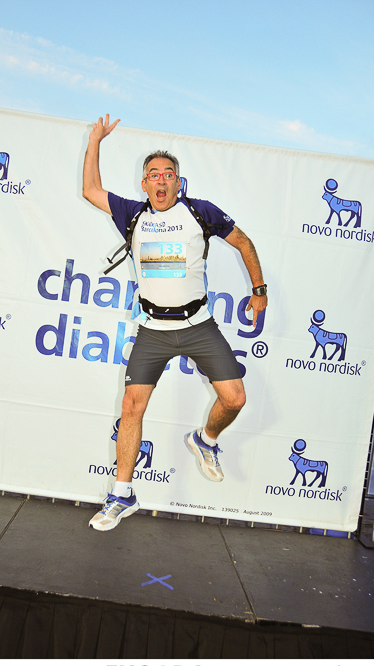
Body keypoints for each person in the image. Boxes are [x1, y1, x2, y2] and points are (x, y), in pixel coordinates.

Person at [82, 115, 268, 532]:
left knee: (235, 399)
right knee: (131, 407)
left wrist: (259, 289)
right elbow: (90, 190)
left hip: (198, 325)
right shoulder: (132, 214)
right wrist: (95, 141)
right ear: (144, 184)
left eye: (168, 174)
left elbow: (243, 242)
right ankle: (122, 494)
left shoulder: (200, 212)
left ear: (178, 182)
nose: (161, 180)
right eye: (154, 175)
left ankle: (205, 440)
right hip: (152, 331)